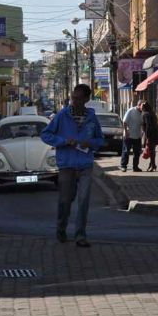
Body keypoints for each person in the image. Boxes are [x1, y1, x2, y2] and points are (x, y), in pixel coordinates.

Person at [41, 84, 103, 248]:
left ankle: (80, 235)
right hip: (67, 164)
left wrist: (89, 143)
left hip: (85, 164)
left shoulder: (91, 118)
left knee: (84, 200)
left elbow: (100, 140)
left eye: (78, 98)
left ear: (86, 99)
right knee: (65, 200)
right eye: (73, 97)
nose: (74, 101)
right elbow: (46, 134)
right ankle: (61, 228)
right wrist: (63, 141)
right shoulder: (62, 115)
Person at [120, 101, 144, 172]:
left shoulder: (143, 113)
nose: (143, 108)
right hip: (129, 135)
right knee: (126, 151)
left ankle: (135, 167)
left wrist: (142, 132)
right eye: (142, 106)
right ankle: (123, 166)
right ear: (139, 105)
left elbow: (142, 124)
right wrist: (126, 131)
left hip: (137, 136)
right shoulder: (131, 111)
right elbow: (124, 122)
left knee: (137, 152)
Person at [141, 102, 158, 172]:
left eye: (142, 106)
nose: (141, 108)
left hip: (151, 135)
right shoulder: (152, 113)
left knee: (151, 151)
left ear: (144, 108)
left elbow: (148, 125)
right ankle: (152, 164)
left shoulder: (146, 114)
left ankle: (153, 165)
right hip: (156, 134)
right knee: (152, 150)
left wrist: (147, 136)